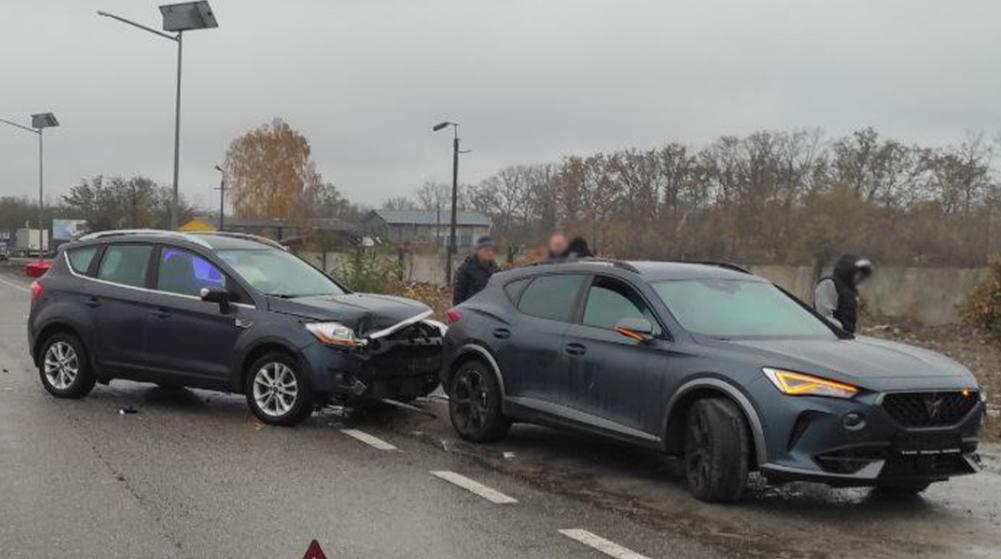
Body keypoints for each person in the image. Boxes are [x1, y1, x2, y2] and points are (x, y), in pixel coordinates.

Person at [814, 254, 874, 333]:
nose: (861, 278)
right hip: (830, 337)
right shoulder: (829, 284)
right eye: (859, 274)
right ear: (849, 271)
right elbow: (824, 316)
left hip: (844, 338)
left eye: (863, 276)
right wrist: (840, 330)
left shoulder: (851, 291)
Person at [453, 236, 500, 305]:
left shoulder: (495, 269)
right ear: (478, 250)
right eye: (486, 250)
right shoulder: (466, 269)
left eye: (491, 250)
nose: (490, 253)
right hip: (471, 310)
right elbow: (458, 295)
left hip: (490, 310)